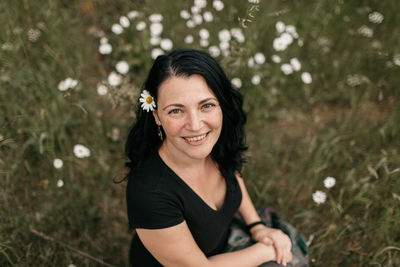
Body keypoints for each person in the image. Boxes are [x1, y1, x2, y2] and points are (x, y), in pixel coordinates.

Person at [124, 49, 296, 266]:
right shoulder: (149, 193)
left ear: (221, 105)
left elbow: (232, 175)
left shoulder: (214, 144)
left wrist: (256, 226)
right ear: (157, 116)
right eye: (176, 111)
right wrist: (265, 251)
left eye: (206, 106)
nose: (195, 126)